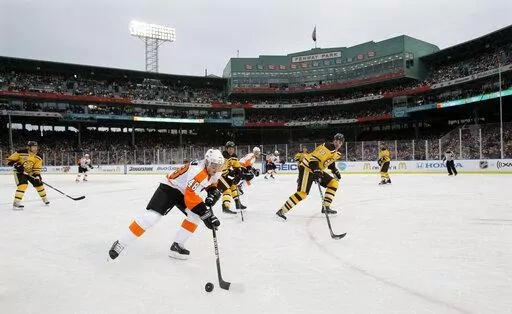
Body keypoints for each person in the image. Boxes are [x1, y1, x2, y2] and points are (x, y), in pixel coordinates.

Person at [108, 149, 226, 260]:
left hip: (184, 191)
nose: (216, 169)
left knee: (194, 217)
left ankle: (177, 246)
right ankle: (121, 243)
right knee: (151, 218)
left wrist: (212, 191)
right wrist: (205, 214)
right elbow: (191, 198)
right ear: (206, 162)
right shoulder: (198, 171)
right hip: (170, 187)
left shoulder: (216, 171)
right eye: (213, 165)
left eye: (219, 166)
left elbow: (211, 182)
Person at [276, 133, 344, 221]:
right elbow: (313, 160)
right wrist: (316, 171)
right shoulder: (326, 147)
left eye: (339, 141)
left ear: (342, 143)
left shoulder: (338, 152)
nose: (337, 142)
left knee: (333, 183)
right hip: (307, 168)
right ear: (333, 141)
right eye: (335, 140)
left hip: (317, 170)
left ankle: (326, 207)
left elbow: (329, 160)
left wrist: (334, 170)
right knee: (302, 193)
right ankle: (281, 211)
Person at [6, 141, 49, 210]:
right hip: (19, 172)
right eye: (33, 147)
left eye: (36, 147)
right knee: (23, 185)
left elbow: (37, 167)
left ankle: (45, 199)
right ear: (29, 147)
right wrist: (16, 165)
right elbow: (8, 160)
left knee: (39, 184)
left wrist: (37, 175)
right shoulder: (20, 152)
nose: (35, 148)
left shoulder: (38, 156)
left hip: (31, 172)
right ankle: (16, 203)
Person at [220, 141, 251, 213]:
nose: (231, 150)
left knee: (234, 186)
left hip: (226, 175)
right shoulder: (224, 156)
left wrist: (239, 175)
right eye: (229, 149)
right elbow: (223, 171)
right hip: (219, 176)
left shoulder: (234, 156)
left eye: (232, 149)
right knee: (227, 190)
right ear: (226, 149)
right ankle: (225, 207)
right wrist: (233, 174)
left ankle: (238, 204)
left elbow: (237, 167)